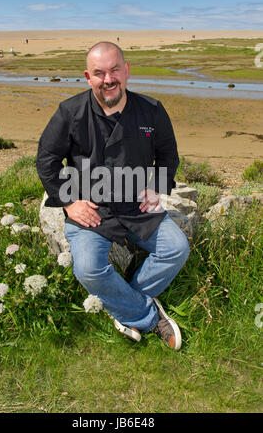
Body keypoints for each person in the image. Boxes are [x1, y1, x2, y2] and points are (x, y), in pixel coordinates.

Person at [36, 41, 190, 349]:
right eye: (99, 73)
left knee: (176, 248)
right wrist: (69, 202)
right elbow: (46, 161)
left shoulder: (152, 110)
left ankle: (123, 307)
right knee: (89, 268)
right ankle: (147, 315)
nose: (108, 79)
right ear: (87, 77)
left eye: (114, 70)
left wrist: (157, 187)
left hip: (136, 205)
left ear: (127, 71)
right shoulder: (70, 112)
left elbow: (168, 155)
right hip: (91, 208)